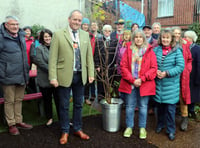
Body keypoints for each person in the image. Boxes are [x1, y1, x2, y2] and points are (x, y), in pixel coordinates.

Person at [48, 10, 94, 145]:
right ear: (69, 19)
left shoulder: (85, 35)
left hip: (81, 76)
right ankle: (65, 130)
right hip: (63, 76)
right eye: (75, 20)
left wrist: (91, 73)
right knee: (63, 105)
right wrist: (53, 77)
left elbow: (89, 57)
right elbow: (52, 58)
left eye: (79, 20)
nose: (77, 23)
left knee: (79, 104)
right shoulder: (58, 34)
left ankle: (77, 128)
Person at [118, 29, 157, 139]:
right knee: (130, 106)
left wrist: (142, 79)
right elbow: (123, 66)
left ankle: (142, 128)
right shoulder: (129, 50)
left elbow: (154, 68)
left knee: (143, 107)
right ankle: (129, 127)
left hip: (144, 84)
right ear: (133, 38)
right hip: (131, 83)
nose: (138, 39)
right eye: (136, 37)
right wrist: (132, 80)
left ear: (144, 38)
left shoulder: (150, 51)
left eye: (140, 37)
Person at [0, 16, 33, 135]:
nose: (15, 27)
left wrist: (26, 72)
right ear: (6, 25)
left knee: (19, 99)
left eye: (17, 24)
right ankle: (11, 124)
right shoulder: (1, 38)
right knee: (9, 101)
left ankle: (19, 121)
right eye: (12, 24)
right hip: (7, 76)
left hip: (21, 75)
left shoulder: (21, 36)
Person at [153, 29, 184, 141]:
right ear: (160, 39)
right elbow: (151, 63)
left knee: (170, 111)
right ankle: (160, 125)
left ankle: (171, 130)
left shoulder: (177, 51)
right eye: (163, 38)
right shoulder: (156, 50)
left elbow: (180, 66)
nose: (165, 40)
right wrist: (155, 71)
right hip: (158, 85)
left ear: (171, 39)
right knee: (159, 109)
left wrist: (167, 73)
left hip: (171, 86)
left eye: (167, 38)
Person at [33, 29, 60, 126]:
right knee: (47, 100)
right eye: (45, 37)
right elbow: (41, 63)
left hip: (57, 79)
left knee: (58, 99)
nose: (48, 38)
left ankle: (61, 118)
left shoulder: (56, 47)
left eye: (49, 36)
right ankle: (49, 118)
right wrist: (54, 70)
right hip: (45, 79)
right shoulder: (39, 48)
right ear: (42, 38)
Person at [172, 26, 192, 131]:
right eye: (175, 33)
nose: (176, 35)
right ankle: (169, 119)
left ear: (181, 35)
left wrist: (188, 69)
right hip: (171, 75)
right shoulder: (169, 43)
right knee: (171, 97)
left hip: (183, 76)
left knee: (183, 96)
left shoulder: (185, 45)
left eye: (178, 33)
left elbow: (189, 59)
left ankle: (184, 118)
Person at [94, 24, 118, 101]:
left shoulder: (114, 41)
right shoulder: (99, 41)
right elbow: (96, 54)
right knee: (101, 83)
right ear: (103, 31)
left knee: (110, 83)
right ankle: (101, 99)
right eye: (105, 31)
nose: (107, 32)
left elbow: (116, 54)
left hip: (111, 66)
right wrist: (97, 65)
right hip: (101, 66)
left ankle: (109, 97)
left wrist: (115, 64)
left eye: (109, 31)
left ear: (111, 32)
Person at [184, 30, 200, 120]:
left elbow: (199, 63)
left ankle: (191, 110)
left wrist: (198, 78)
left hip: (193, 76)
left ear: (192, 39)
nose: (185, 38)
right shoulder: (183, 47)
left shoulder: (197, 48)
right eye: (185, 37)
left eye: (187, 37)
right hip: (185, 75)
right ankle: (185, 111)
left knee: (193, 94)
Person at [81, 17, 96, 105]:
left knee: (88, 80)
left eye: (87, 25)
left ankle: (86, 97)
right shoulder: (78, 34)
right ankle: (78, 97)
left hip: (90, 60)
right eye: (84, 25)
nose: (85, 26)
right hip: (81, 60)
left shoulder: (91, 36)